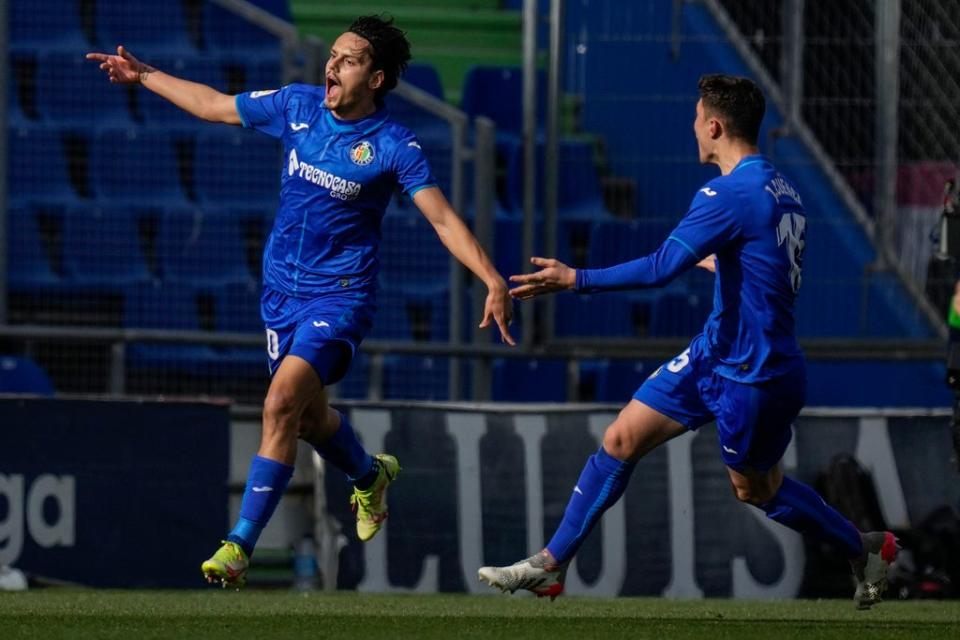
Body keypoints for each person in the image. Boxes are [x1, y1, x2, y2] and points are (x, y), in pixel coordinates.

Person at [88, 15, 515, 589]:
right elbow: (215, 105)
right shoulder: (296, 105)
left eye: (349, 60)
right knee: (309, 420)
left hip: (340, 297)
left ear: (377, 78)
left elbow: (441, 219)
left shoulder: (393, 146)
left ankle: (238, 545)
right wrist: (146, 75)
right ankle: (369, 473)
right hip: (279, 296)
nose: (332, 65)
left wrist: (491, 277)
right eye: (333, 55)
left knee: (279, 402)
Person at [477, 74, 898, 609]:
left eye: (697, 119)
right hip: (714, 354)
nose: (693, 128)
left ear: (715, 126)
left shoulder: (727, 193)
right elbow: (758, 265)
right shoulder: (781, 189)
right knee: (621, 440)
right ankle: (550, 565)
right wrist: (717, 262)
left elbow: (658, 270)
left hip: (754, 373)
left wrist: (573, 279)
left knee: (756, 490)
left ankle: (864, 548)